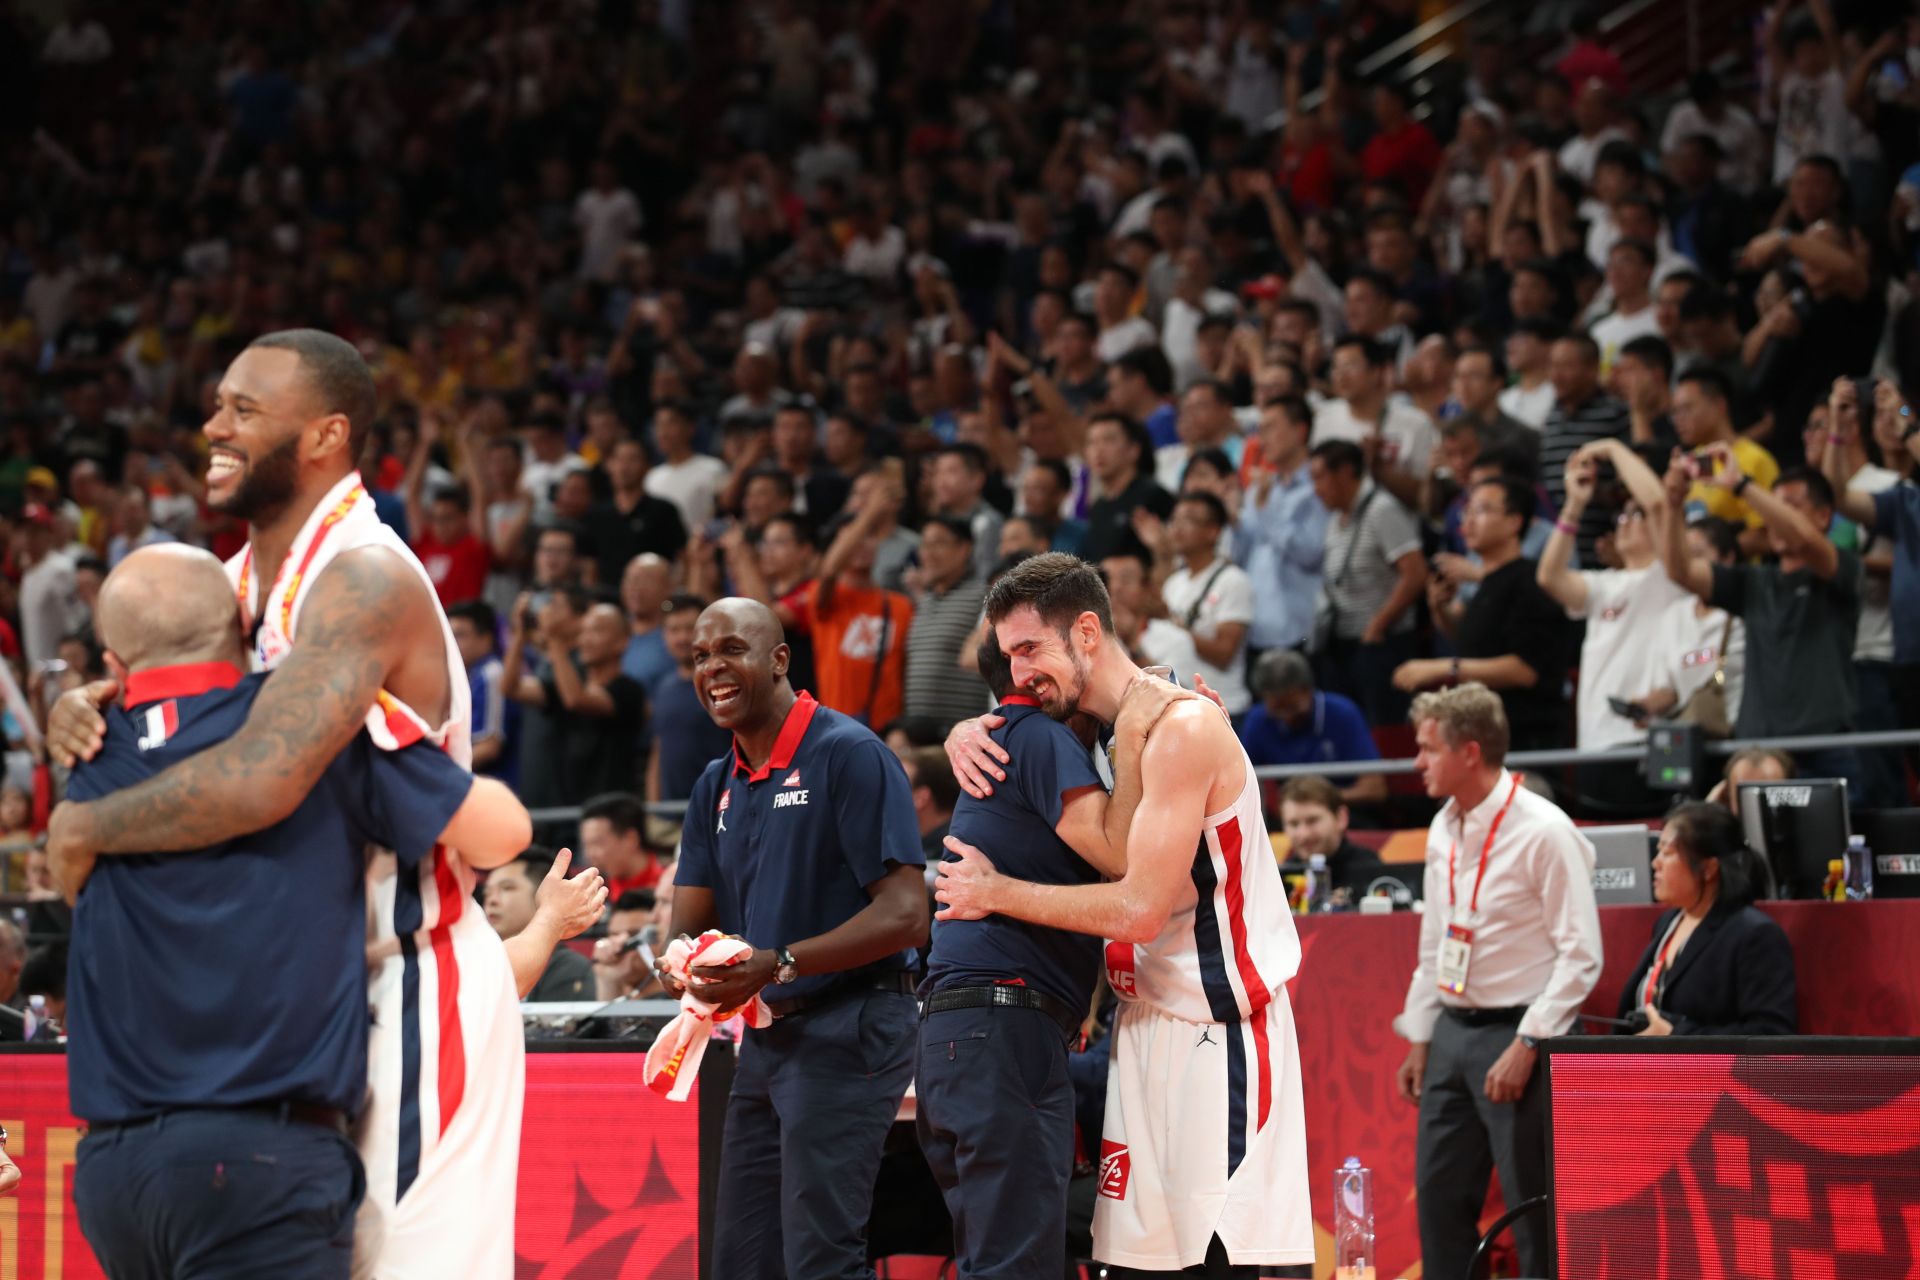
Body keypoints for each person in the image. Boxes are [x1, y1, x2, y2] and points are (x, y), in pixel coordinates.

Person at [43, 330, 578, 1279]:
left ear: (328, 434)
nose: (213, 425)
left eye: (244, 410)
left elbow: (262, 778)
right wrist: (86, 709)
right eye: (217, 404)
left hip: (407, 984)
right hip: (293, 1011)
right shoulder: (235, 588)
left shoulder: (362, 576)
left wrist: (84, 823)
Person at [935, 552, 1312, 1278]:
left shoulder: (1179, 727)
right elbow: (1013, 719)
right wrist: (968, 728)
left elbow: (1141, 909)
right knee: (1136, 1268)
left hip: (1218, 1029)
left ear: (1085, 632)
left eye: (1028, 650)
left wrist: (995, 891)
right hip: (1139, 1027)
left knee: (1226, 1261)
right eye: (1007, 655)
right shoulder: (1088, 732)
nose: (1017, 674)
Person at [666, 597, 929, 1280]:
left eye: (731, 649)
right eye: (699, 657)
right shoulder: (713, 782)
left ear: (779, 659)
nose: (712, 669)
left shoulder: (849, 754)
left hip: (854, 1023)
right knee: (741, 1258)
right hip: (768, 1036)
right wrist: (680, 966)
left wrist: (777, 963)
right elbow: (686, 926)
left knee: (820, 1254)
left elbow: (907, 915)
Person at [917, 635, 1118, 1280]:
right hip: (1002, 1025)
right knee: (1018, 1264)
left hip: (965, 1031)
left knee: (998, 1258)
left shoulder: (999, 738)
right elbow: (1128, 865)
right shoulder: (1038, 737)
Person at [1394, 684, 1602, 1280]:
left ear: (1470, 752)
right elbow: (1435, 945)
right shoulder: (1442, 827)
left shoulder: (1545, 831)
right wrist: (1420, 1036)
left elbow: (1582, 955)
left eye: (1429, 749)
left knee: (1534, 1208)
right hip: (1454, 1033)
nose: (1418, 762)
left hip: (1524, 1033)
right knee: (1438, 1201)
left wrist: (1529, 1042)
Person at [1657, 443, 1866, 792]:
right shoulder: (1754, 581)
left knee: (1834, 847)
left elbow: (1803, 538)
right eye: (1773, 506)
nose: (1773, 517)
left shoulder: (1841, 567)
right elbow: (1679, 571)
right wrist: (1673, 502)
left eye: (1790, 507)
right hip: (1756, 752)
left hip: (1823, 747)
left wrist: (1742, 485)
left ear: (1823, 516)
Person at [1397, 476, 1570, 754]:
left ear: (1515, 521)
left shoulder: (1529, 582)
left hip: (1524, 742)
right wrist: (1440, 610)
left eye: (1483, 510)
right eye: (1467, 511)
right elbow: (1479, 647)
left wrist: (1443, 668)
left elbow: (1524, 670)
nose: (1468, 521)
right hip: (1486, 740)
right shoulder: (1487, 582)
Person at [1616, 802, 1795, 1037]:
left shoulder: (1756, 935)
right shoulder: (1667, 922)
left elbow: (1772, 1034)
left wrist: (1677, 1036)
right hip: (1648, 1068)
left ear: (1708, 868)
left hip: (1708, 1073)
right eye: (1658, 851)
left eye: (1667, 853)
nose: (1655, 863)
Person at [1309, 440, 1427, 727]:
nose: (1316, 488)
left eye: (1320, 477)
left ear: (1346, 472)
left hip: (1382, 644)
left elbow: (1415, 573)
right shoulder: (1337, 517)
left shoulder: (1382, 509)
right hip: (1346, 641)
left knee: (1384, 727)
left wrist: (1379, 625)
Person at [503, 587, 648, 804]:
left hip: (609, 811)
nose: (586, 640)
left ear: (622, 641)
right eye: (584, 632)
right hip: (565, 816)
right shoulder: (566, 685)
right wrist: (520, 634)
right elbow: (510, 687)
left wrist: (554, 640)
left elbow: (576, 700)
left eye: (597, 631)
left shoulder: (628, 690)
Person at [1234, 395, 1328, 660]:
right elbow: (1242, 555)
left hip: (1299, 629)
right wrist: (1233, 523)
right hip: (1256, 628)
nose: (1261, 440)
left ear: (1300, 430)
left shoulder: (1318, 487)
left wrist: (1266, 510)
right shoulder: (1261, 488)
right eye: (1259, 430)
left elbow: (1311, 552)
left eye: (1270, 428)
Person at [1241, 649, 1387, 807]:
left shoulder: (1342, 713)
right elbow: (1238, 784)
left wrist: (1316, 801)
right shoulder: (1258, 719)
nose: (1286, 717)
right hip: (1286, 815)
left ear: (1308, 689)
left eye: (1292, 707)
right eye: (1277, 709)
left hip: (1345, 811)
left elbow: (1375, 788)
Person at [1157, 492, 1255, 717]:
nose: (1178, 527)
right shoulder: (1174, 582)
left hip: (1225, 707)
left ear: (1213, 531)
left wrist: (1172, 623)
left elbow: (1224, 654)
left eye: (1189, 520)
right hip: (1182, 706)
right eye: (1175, 519)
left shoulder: (1233, 580)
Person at [903, 514, 990, 732]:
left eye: (939, 543)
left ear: (964, 549)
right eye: (924, 545)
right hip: (917, 735)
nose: (928, 554)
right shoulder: (923, 602)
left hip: (969, 734)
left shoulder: (984, 595)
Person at [484, 850, 598, 1002]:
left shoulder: (568, 967)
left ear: (544, 893)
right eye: (487, 892)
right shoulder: (477, 959)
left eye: (507, 888)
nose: (492, 901)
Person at [583, 437, 688, 586]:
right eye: (618, 459)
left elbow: (682, 559)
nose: (624, 467)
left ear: (647, 466)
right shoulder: (596, 514)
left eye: (633, 459)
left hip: (655, 601)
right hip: (607, 600)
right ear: (608, 464)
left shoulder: (664, 511)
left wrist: (670, 601)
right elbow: (590, 566)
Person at [1278, 775, 1388, 903]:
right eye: (1294, 824)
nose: (1304, 835)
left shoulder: (1370, 868)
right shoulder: (1279, 879)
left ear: (1341, 818)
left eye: (1312, 821)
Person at [578, 791, 668, 900]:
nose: (590, 854)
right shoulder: (590, 893)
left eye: (597, 843)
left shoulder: (668, 888)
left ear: (630, 839)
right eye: (586, 845)